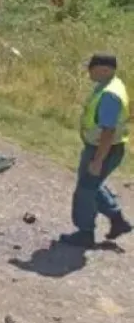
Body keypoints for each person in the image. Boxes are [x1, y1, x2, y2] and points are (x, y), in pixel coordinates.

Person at [59, 53, 133, 247]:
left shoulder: (109, 95)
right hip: (104, 147)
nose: (88, 71)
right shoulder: (113, 85)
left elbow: (108, 131)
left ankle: (85, 233)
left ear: (104, 70)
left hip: (103, 148)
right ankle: (117, 220)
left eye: (91, 68)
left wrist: (98, 160)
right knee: (92, 183)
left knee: (85, 189)